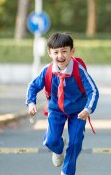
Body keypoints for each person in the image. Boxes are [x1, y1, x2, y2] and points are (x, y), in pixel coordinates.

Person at [26, 32, 99, 175]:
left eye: (64, 51)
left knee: (75, 142)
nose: (60, 56)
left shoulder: (79, 70)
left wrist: (88, 109)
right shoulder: (47, 71)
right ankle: (58, 148)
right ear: (49, 53)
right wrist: (31, 103)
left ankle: (67, 171)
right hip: (56, 110)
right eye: (56, 52)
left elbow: (93, 91)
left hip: (78, 112)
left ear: (72, 51)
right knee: (51, 140)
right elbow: (33, 86)